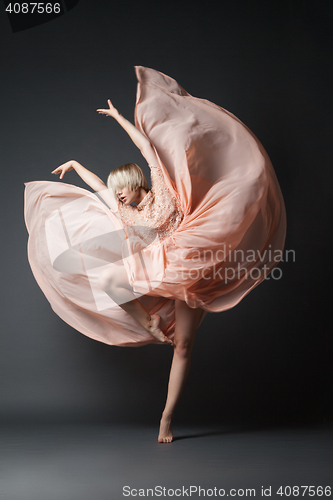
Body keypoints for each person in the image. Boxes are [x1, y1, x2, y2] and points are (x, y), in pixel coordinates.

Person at [24, 66, 286, 443]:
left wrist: (119, 119)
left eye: (121, 191)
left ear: (133, 183)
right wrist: (77, 165)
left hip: (190, 259)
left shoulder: (161, 186)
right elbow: (98, 186)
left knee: (183, 346)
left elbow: (147, 149)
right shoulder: (125, 211)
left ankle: (166, 418)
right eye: (115, 194)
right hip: (156, 264)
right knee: (111, 277)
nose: (116, 197)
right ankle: (149, 323)